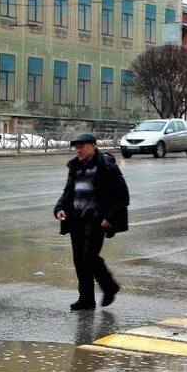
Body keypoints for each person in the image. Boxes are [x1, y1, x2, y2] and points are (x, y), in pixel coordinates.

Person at [54, 133, 128, 310]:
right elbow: (67, 192)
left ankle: (109, 286)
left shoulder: (106, 166)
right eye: (76, 147)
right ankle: (86, 299)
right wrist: (59, 208)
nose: (78, 150)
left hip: (96, 220)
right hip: (76, 219)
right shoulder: (75, 166)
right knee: (79, 260)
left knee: (89, 257)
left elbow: (122, 196)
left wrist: (109, 217)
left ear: (93, 146)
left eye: (82, 146)